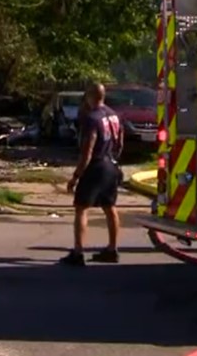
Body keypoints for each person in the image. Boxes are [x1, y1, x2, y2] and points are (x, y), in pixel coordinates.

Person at [61, 82, 124, 266]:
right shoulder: (114, 115)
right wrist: (114, 159)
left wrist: (76, 176)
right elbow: (120, 142)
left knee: (81, 207)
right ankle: (112, 249)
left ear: (90, 96)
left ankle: (78, 252)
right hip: (111, 164)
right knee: (110, 206)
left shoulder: (91, 118)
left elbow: (87, 151)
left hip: (95, 166)